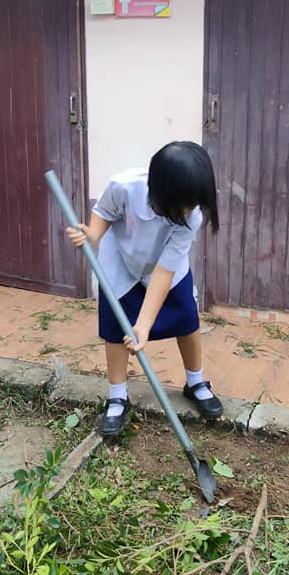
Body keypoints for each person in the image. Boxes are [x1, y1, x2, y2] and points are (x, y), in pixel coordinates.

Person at [66, 141, 222, 436]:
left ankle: (195, 382)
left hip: (165, 267)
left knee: (187, 319)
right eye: (184, 203)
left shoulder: (192, 216)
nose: (190, 209)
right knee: (116, 327)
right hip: (121, 262)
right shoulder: (124, 187)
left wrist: (144, 324)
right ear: (161, 191)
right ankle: (117, 397)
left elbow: (164, 271)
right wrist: (93, 234)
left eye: (195, 202)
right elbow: (104, 212)